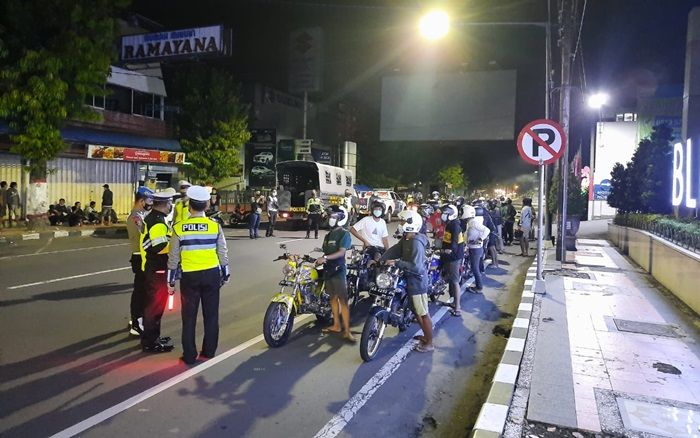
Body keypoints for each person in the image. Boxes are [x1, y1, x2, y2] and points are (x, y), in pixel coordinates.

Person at [168, 185, 230, 365]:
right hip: (212, 275)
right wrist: (225, 273)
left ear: (189, 206)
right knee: (211, 315)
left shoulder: (179, 228)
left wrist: (170, 281)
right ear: (206, 205)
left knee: (189, 318)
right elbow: (223, 253)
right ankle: (209, 351)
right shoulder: (214, 226)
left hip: (189, 277)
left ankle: (189, 355)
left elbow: (173, 258)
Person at [381, 210, 433, 352]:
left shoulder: (416, 242)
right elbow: (396, 250)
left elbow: (416, 267)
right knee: (416, 312)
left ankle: (430, 343)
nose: (400, 223)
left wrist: (397, 263)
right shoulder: (407, 238)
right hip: (409, 279)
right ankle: (425, 336)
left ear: (411, 224)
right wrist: (381, 259)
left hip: (417, 281)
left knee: (423, 313)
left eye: (403, 221)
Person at [139, 188, 177, 353]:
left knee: (154, 306)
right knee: (154, 307)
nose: (172, 205)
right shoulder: (158, 222)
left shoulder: (155, 218)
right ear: (165, 204)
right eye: (170, 203)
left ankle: (154, 337)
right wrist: (176, 246)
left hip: (153, 268)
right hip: (157, 269)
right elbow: (160, 246)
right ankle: (150, 342)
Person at [315, 205, 354, 342]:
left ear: (341, 219)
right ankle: (336, 325)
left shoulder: (344, 234)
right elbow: (327, 250)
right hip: (328, 269)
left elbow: (342, 252)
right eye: (329, 216)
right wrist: (321, 254)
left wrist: (325, 258)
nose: (330, 219)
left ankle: (347, 330)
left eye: (333, 217)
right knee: (332, 298)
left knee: (342, 300)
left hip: (338, 270)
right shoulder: (328, 235)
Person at [126, 187, 154, 336]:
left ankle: (136, 319)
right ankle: (136, 323)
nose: (151, 204)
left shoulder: (141, 214)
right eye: (149, 201)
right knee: (141, 292)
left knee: (141, 290)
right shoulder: (136, 217)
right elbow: (144, 235)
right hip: (140, 256)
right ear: (141, 200)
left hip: (141, 256)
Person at [440, 204, 464, 316]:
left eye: (446, 213)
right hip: (448, 255)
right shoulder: (449, 224)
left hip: (454, 257)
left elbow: (454, 243)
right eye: (443, 213)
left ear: (452, 214)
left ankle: (458, 308)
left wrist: (448, 250)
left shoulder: (455, 225)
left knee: (454, 281)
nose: (443, 215)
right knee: (450, 279)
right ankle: (454, 301)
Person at [464, 205, 490, 293]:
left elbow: (487, 230)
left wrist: (480, 239)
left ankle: (479, 287)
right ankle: (478, 285)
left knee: (475, 269)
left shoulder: (474, 222)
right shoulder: (470, 222)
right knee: (476, 268)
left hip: (476, 249)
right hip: (473, 248)